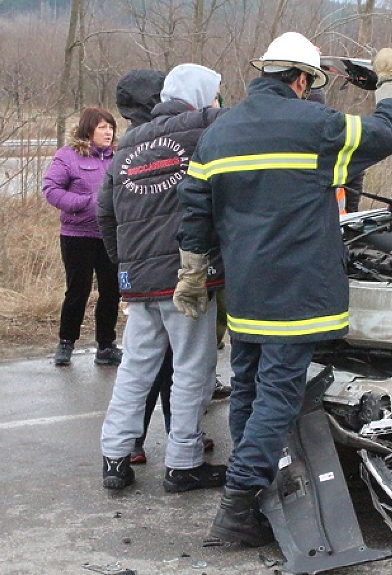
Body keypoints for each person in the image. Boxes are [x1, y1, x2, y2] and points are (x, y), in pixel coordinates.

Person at [174, 32, 392, 546]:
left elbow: (194, 208)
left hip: (247, 291)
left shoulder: (218, 133)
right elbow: (384, 136)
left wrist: (191, 271)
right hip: (297, 292)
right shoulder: (315, 126)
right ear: (302, 80)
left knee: (249, 390)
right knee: (277, 398)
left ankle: (252, 494)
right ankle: (236, 510)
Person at [97, 63, 228, 492]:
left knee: (136, 369)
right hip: (187, 276)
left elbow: (105, 213)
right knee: (192, 368)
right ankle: (183, 462)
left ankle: (115, 458)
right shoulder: (205, 126)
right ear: (200, 96)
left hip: (139, 280)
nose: (216, 102)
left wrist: (126, 266)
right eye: (214, 94)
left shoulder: (128, 144)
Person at [43, 106, 121, 367]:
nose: (108, 132)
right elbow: (51, 189)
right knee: (78, 290)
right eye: (102, 127)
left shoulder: (118, 158)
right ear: (88, 129)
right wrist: (84, 203)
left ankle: (106, 346)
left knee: (112, 291)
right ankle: (66, 343)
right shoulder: (68, 156)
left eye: (111, 127)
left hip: (111, 234)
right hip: (77, 234)